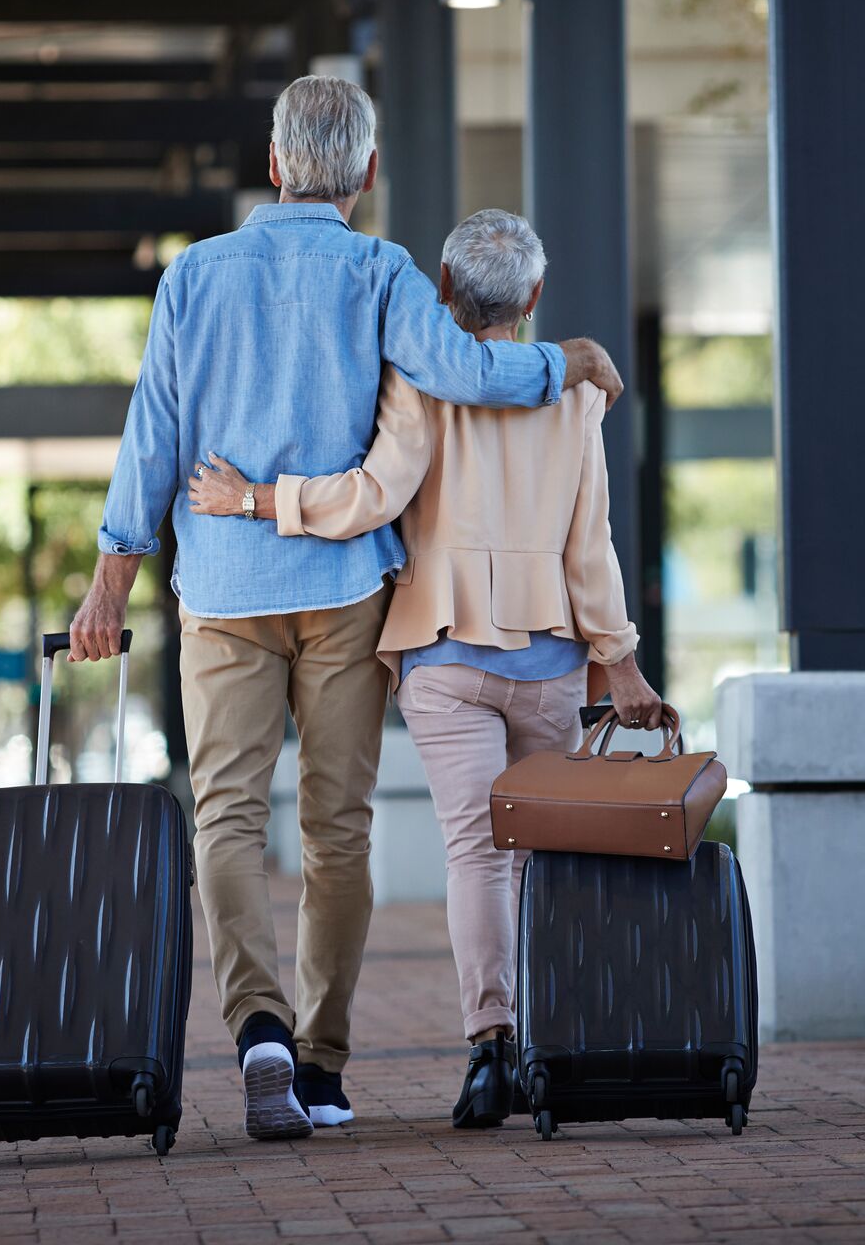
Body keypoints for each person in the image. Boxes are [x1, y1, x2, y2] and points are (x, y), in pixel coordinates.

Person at [64, 77, 624, 1141]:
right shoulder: (381, 272)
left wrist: (112, 574)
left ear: (275, 166)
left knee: (224, 814)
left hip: (223, 591)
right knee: (337, 828)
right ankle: (320, 1065)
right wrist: (566, 363)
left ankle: (259, 1026)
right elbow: (464, 371)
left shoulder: (193, 274)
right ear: (366, 177)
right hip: (346, 595)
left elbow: (154, 430)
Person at [187, 208, 662, 1129]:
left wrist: (256, 499)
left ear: (441, 290)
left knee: (475, 853)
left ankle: (489, 1050)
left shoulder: (418, 383)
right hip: (554, 655)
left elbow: (374, 498)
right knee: (536, 856)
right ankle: (546, 1050)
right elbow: (590, 546)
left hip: (444, 653)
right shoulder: (576, 395)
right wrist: (621, 661)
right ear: (532, 299)